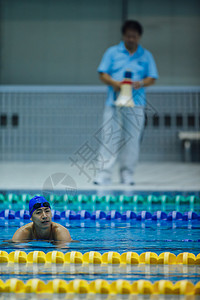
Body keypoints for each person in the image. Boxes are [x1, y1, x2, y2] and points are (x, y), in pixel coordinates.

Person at [94, 20, 158, 185]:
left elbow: (152, 78)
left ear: (139, 37)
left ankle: (127, 174)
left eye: (134, 36)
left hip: (136, 104)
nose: (131, 39)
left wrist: (140, 83)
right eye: (128, 36)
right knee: (109, 138)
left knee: (132, 140)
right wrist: (116, 84)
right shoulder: (112, 53)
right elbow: (102, 74)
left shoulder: (146, 55)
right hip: (114, 103)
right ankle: (103, 174)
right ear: (124, 36)